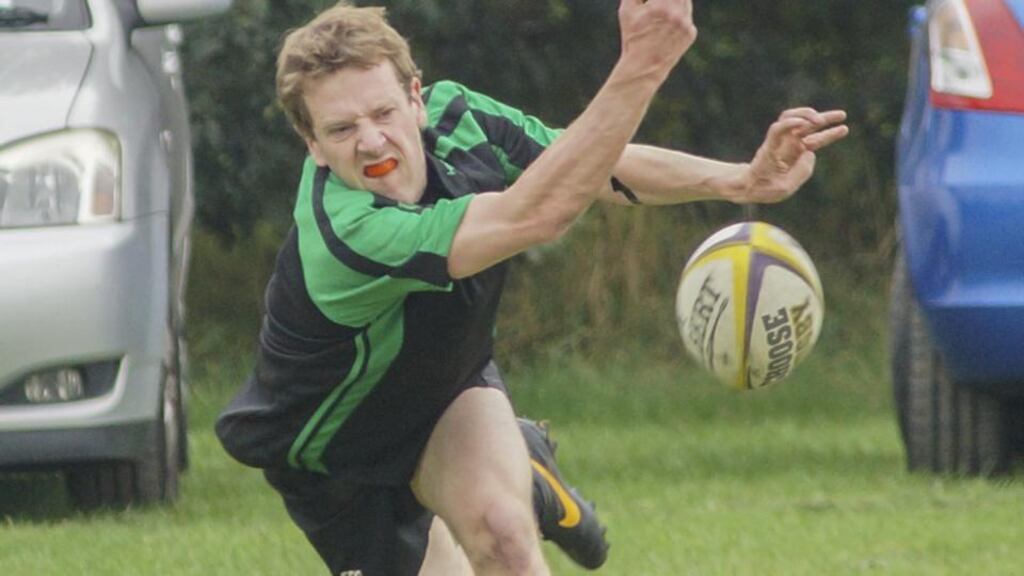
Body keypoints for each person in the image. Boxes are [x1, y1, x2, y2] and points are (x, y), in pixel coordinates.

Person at [215, 1, 849, 574]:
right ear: (312, 145)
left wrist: (742, 180)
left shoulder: (460, 118)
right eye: (341, 129)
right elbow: (537, 213)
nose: (372, 141)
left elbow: (590, 162)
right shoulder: (345, 234)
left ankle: (517, 471)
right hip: (338, 461)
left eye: (383, 112)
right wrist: (643, 66)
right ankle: (527, 466)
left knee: (506, 542)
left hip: (447, 397)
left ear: (415, 97)